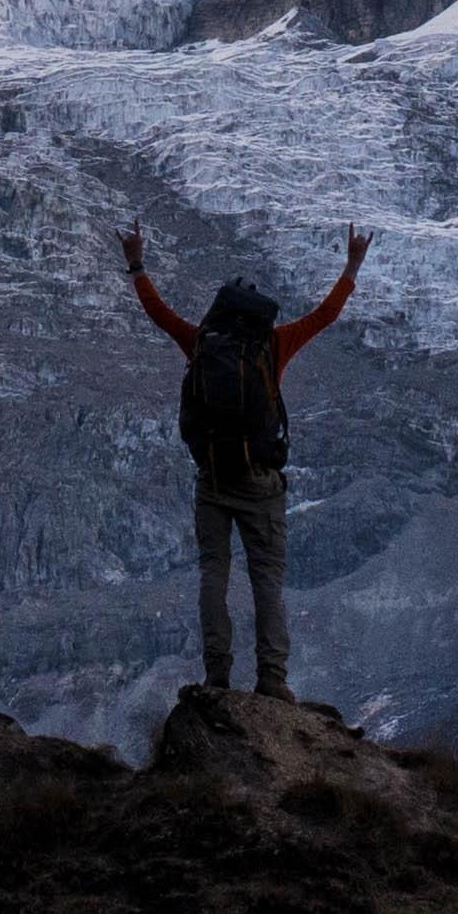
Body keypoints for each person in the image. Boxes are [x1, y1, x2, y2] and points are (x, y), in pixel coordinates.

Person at [125, 222, 364, 700]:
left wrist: (136, 263)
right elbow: (324, 317)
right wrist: (352, 266)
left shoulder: (198, 341)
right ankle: (272, 681)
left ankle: (217, 675)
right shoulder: (273, 346)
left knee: (214, 571)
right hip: (260, 482)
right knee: (266, 580)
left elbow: (158, 313)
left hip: (212, 479)